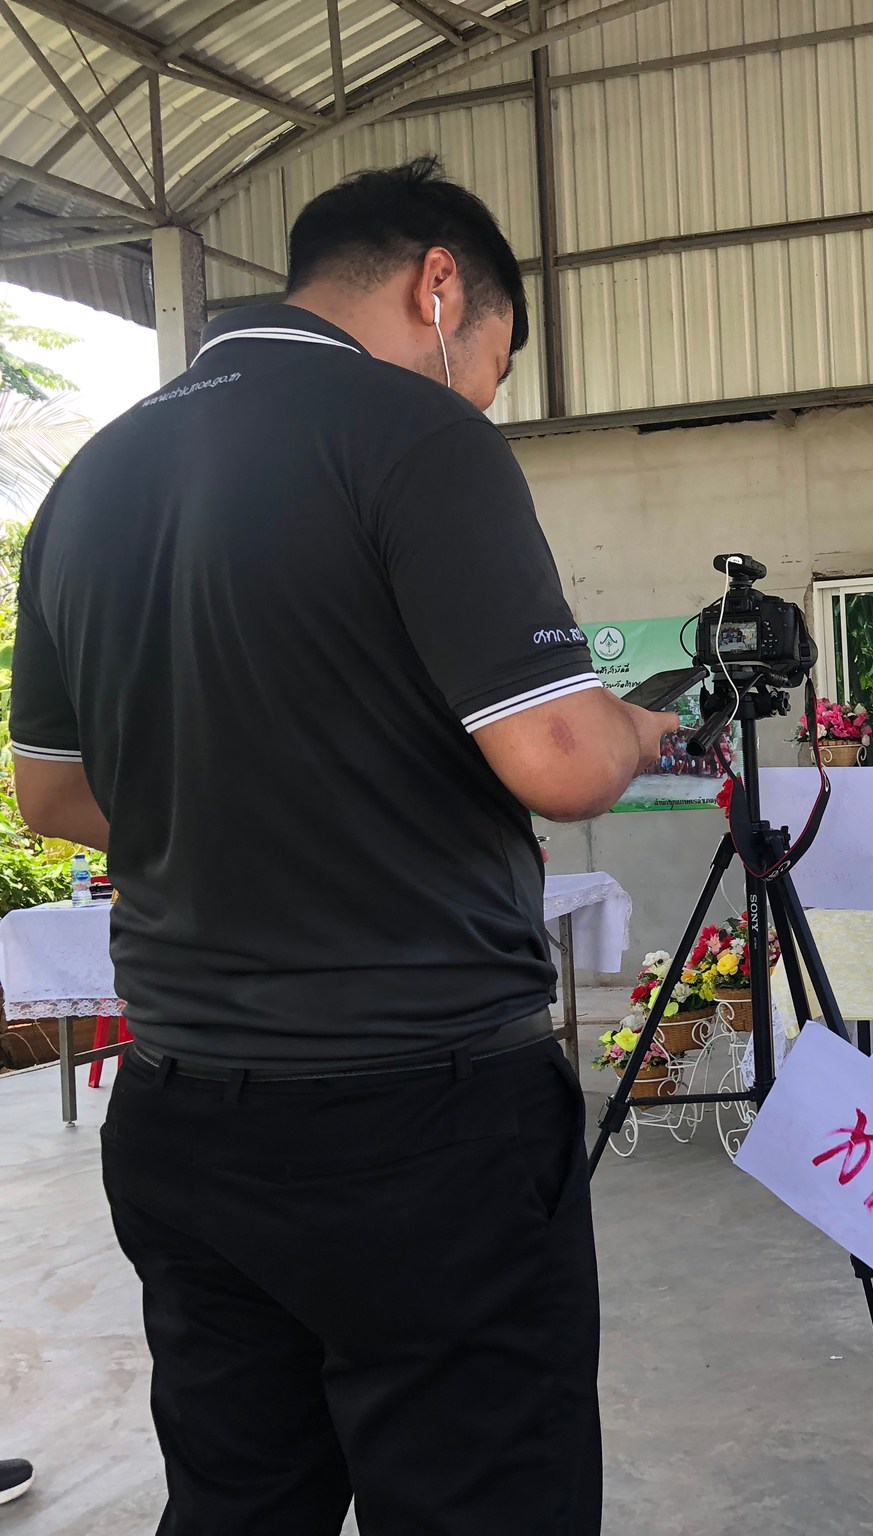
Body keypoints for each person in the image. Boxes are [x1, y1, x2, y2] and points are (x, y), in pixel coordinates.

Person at [10, 158, 679, 1535]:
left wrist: (241, 813)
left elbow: (53, 796)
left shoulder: (93, 477)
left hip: (183, 1112)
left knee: (241, 1500)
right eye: (491, 364)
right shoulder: (415, 435)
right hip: (419, 1119)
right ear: (440, 286)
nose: (481, 397)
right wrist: (639, 728)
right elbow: (559, 761)